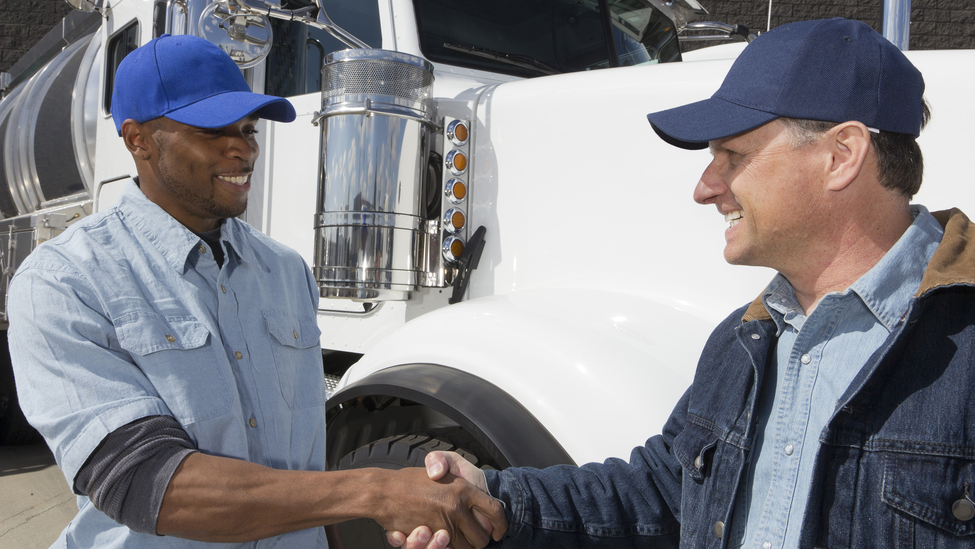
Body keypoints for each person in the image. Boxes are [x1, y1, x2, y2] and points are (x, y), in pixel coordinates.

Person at [393, 17, 975, 549]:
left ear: (841, 155)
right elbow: (662, 491)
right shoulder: (743, 340)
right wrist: (495, 497)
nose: (705, 187)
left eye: (732, 153)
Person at [7, 34, 504, 549]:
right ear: (138, 140)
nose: (243, 148)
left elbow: (305, 461)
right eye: (213, 130)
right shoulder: (65, 282)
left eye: (247, 129)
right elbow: (145, 484)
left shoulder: (286, 272)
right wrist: (375, 491)